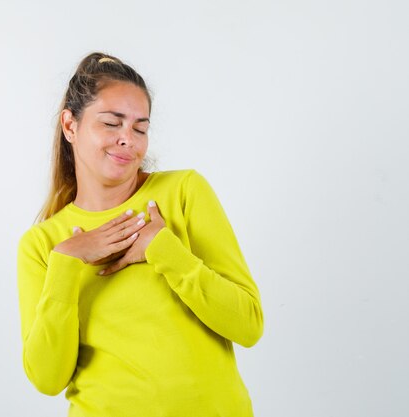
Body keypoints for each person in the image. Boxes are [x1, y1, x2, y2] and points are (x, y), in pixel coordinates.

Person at [16, 52, 264, 417]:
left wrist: (164, 250)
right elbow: (47, 378)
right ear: (70, 125)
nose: (127, 140)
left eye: (140, 128)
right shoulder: (43, 245)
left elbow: (248, 326)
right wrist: (67, 261)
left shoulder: (184, 192)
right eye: (112, 124)